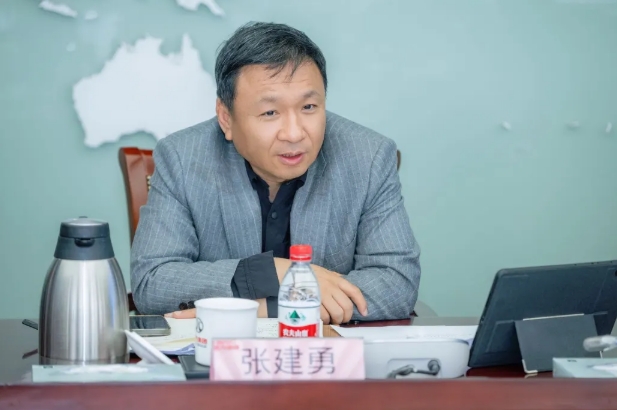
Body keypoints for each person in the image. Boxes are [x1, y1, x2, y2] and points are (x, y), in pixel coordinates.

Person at [130, 21, 421, 324]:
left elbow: (397, 282)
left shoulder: (368, 157)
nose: (294, 133)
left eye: (309, 107)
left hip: (325, 351)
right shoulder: (182, 158)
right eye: (270, 112)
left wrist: (271, 309)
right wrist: (265, 273)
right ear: (226, 118)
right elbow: (153, 282)